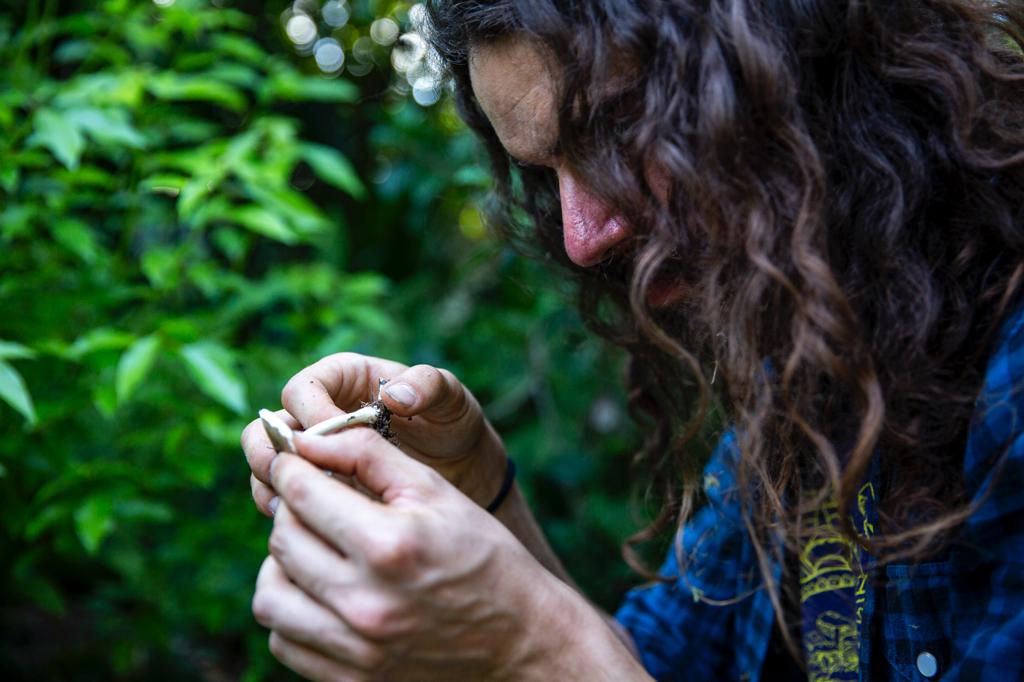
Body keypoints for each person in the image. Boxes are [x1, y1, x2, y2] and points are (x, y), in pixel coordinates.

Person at [240, 1, 1024, 680]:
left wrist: (535, 647)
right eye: (547, 172)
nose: (583, 239)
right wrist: (482, 499)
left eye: (618, 127)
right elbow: (652, 666)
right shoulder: (811, 367)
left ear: (789, 61)